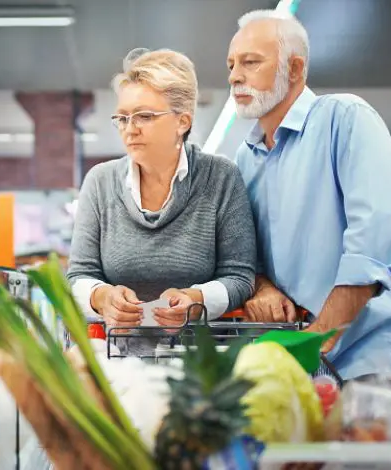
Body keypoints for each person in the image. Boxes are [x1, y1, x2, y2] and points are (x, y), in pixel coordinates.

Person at [228, 10, 391, 438]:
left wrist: (321, 336)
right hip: (293, 368)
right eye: (231, 65)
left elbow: (377, 236)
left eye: (250, 62)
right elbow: (246, 250)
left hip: (367, 367)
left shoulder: (344, 119)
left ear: (295, 68)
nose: (236, 76)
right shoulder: (245, 158)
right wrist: (262, 285)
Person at [67, 48, 256, 356]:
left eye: (145, 116)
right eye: (123, 118)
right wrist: (101, 297)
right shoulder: (100, 182)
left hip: (201, 360)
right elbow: (78, 275)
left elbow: (240, 276)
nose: (130, 129)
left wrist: (197, 300)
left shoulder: (221, 177)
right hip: (116, 360)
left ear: (182, 121)